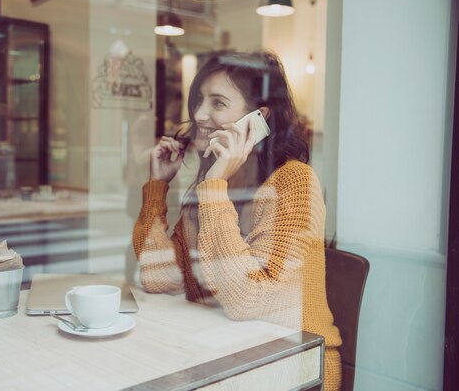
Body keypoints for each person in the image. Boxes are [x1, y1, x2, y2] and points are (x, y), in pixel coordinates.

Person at [132, 51, 342, 391]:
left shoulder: (294, 182)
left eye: (218, 103)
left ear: (257, 118)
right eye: (200, 100)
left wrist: (213, 188)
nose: (199, 114)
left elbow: (248, 300)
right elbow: (160, 278)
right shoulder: (214, 180)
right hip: (223, 351)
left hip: (296, 365)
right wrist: (158, 188)